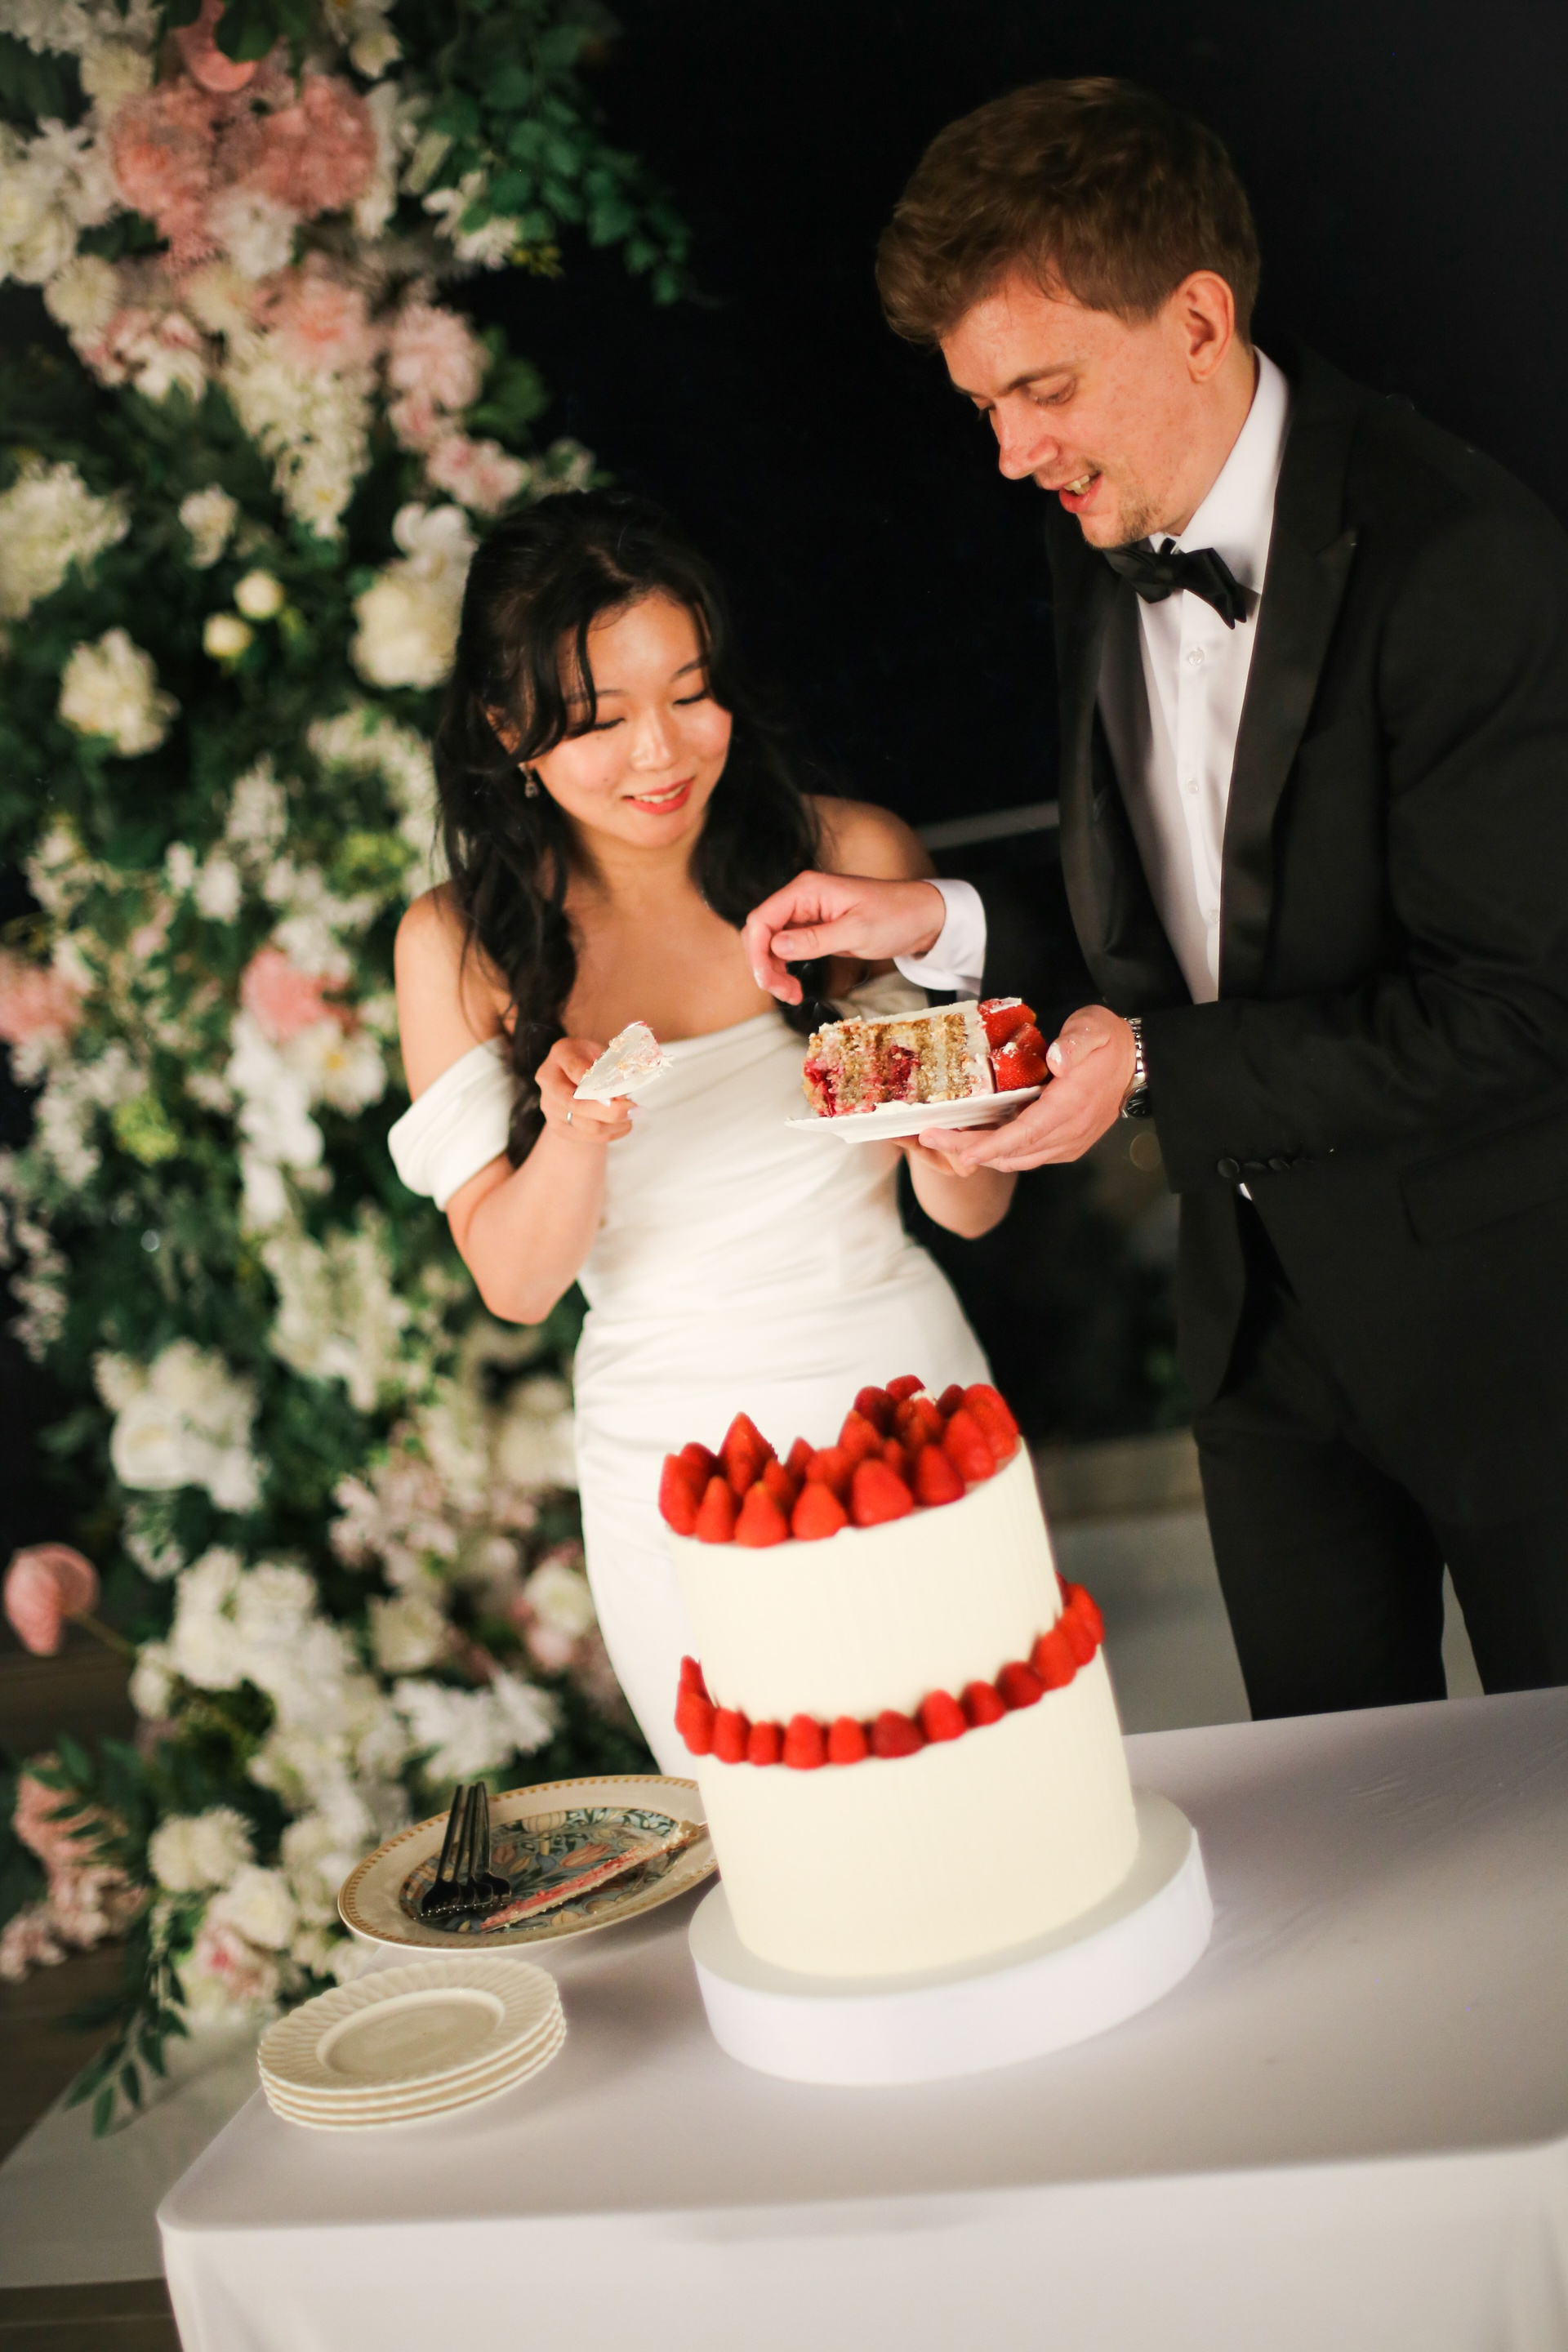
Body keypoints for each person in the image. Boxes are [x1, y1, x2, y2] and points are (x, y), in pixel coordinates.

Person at [745, 76, 1568, 1718]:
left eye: (1041, 389)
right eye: (983, 405)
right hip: (1255, 1336)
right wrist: (944, 926)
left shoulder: (1461, 553)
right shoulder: (1100, 524)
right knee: (1329, 1822)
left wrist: (1154, 1071)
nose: (1009, 454)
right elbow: (1183, 918)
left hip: (1514, 1338)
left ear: (1198, 320)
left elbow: (1521, 1007)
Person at [390, 491, 1012, 1771]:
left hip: (900, 1386)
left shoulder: (848, 853)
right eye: (601, 720)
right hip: (672, 1454)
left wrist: (953, 1128)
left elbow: (973, 1205)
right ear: (508, 729)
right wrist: (573, 1134)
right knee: (769, 1825)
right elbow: (517, 1282)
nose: (661, 753)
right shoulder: (458, 944)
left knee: (982, 1779)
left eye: (690, 693)